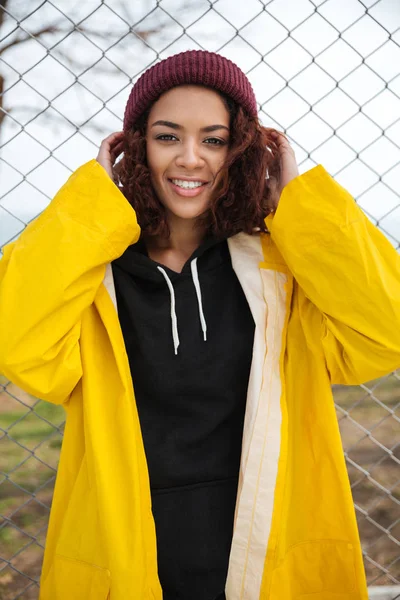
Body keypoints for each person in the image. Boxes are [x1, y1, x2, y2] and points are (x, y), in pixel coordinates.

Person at [0, 49, 399, 600]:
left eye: (213, 140)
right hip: (128, 562)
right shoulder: (97, 283)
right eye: (168, 136)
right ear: (137, 146)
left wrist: (301, 206)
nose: (191, 158)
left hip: (268, 565)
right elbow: (16, 339)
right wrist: (92, 208)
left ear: (240, 151)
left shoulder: (278, 275)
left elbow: (386, 331)